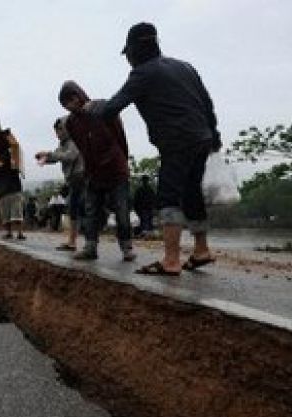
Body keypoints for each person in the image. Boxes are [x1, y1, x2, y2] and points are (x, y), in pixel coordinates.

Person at [83, 22, 220, 275]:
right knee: (191, 195)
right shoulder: (185, 67)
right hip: (202, 137)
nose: (128, 60)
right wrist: (215, 138)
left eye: (128, 54)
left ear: (134, 50)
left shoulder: (143, 74)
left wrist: (92, 108)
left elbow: (112, 108)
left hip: (176, 142)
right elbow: (207, 103)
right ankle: (201, 250)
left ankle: (171, 260)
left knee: (168, 197)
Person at [58, 81, 136, 262]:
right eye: (65, 105)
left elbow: (120, 136)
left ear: (79, 95)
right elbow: (82, 147)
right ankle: (90, 247)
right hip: (93, 172)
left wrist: (123, 161)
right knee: (91, 210)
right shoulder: (72, 123)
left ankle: (126, 248)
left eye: (71, 100)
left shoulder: (103, 108)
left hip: (115, 168)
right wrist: (88, 170)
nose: (70, 106)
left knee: (121, 210)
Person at [35, 117, 86, 251]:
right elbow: (57, 156)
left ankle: (83, 242)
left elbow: (70, 156)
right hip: (73, 180)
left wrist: (49, 154)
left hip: (81, 178)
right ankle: (72, 241)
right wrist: (45, 158)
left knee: (80, 209)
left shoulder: (73, 141)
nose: (58, 133)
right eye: (57, 131)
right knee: (73, 210)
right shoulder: (62, 144)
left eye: (60, 130)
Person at [0, 131, 26, 240]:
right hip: (8, 190)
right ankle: (15, 233)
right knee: (10, 215)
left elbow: (15, 147)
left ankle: (16, 233)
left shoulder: (8, 158)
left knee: (13, 214)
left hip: (9, 190)